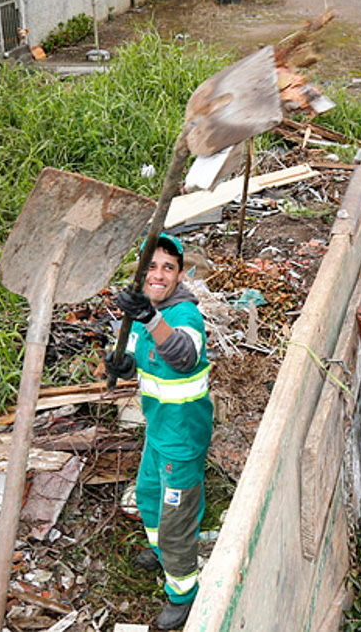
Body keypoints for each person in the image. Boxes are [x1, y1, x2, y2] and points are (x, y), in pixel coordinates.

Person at [108, 233, 211, 630]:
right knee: (148, 495)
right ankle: (160, 551)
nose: (158, 274)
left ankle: (182, 594)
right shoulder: (143, 311)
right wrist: (123, 364)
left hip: (182, 439)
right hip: (158, 430)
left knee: (177, 523)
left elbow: (183, 357)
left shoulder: (185, 316)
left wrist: (151, 319)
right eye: (150, 266)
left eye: (168, 267)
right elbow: (140, 355)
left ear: (180, 274)